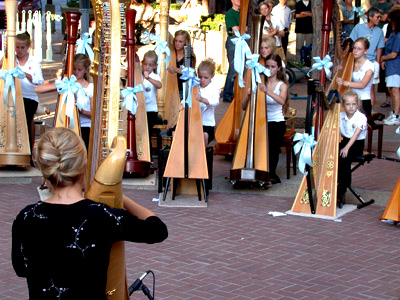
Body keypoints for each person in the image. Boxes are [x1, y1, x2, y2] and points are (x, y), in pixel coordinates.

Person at [12, 127, 168, 299]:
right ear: (84, 166)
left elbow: (21, 269)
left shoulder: (26, 217)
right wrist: (120, 196)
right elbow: (158, 230)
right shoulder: (102, 216)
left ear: (43, 169)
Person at [242, 54, 288, 185]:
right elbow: (244, 107)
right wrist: (249, 96)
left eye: (273, 66)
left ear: (278, 68)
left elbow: (282, 100)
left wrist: (267, 91)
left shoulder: (281, 85)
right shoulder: (260, 81)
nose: (270, 69)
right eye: (267, 66)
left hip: (277, 122)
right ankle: (257, 171)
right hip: (261, 121)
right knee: (257, 146)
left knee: (272, 148)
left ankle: (270, 174)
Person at [35, 54, 93, 149]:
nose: (76, 72)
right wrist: (59, 82)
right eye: (74, 69)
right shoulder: (66, 84)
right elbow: (38, 89)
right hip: (66, 125)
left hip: (85, 127)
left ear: (86, 69)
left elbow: (94, 115)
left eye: (79, 69)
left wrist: (81, 111)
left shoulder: (90, 88)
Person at [15, 32, 44, 155]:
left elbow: (40, 81)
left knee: (25, 118)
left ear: (28, 47)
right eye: (17, 47)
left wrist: (25, 75)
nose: (19, 50)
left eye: (22, 47)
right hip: (12, 96)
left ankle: (27, 153)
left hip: (29, 97)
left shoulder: (34, 61)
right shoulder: (9, 59)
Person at [349, 7, 385, 110]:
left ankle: (370, 111)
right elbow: (351, 44)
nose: (379, 19)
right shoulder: (358, 27)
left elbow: (379, 48)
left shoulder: (379, 31)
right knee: (355, 85)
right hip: (358, 61)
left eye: (380, 17)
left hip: (372, 61)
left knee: (371, 88)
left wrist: (377, 63)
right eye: (377, 17)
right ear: (370, 17)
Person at [337, 91, 367, 206]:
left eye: (353, 104)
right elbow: (337, 131)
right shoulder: (340, 116)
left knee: (344, 157)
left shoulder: (361, 117)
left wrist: (346, 148)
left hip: (356, 143)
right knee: (333, 154)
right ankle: (335, 183)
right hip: (345, 141)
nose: (351, 107)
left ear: (357, 104)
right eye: (348, 104)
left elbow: (356, 135)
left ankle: (342, 186)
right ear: (343, 105)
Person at [336, 37, 374, 117]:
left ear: (366, 51)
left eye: (359, 49)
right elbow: (340, 78)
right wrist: (338, 71)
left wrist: (345, 83)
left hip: (363, 101)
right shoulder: (349, 63)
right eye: (354, 48)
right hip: (350, 100)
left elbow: (362, 85)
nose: (355, 51)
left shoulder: (369, 66)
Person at [381, 6, 400, 125]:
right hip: (391, 65)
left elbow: (394, 54)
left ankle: (396, 114)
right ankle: (394, 112)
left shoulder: (398, 35)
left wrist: (382, 58)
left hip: (395, 65)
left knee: (395, 90)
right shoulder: (394, 32)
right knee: (391, 90)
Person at [195, 59, 220, 146]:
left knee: (204, 135)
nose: (202, 80)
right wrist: (182, 104)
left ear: (212, 75)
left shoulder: (214, 88)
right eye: (200, 77)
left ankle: (203, 155)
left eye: (206, 78)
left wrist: (202, 99)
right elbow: (188, 98)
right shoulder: (195, 86)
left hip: (207, 124)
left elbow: (215, 102)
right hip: (195, 122)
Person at [167, 30, 195, 100]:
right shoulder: (170, 54)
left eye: (180, 41)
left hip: (183, 89)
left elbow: (189, 72)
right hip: (171, 87)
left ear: (186, 42)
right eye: (176, 41)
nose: (177, 43)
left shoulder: (189, 56)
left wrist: (175, 70)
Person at [222, 0, 240, 103]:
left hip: (242, 41)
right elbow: (235, 30)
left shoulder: (245, 15)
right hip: (233, 41)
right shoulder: (230, 13)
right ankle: (227, 93)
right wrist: (248, 28)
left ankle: (235, 92)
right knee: (233, 68)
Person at [141, 50, 162, 138]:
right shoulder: (138, 75)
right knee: (141, 133)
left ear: (155, 66)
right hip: (140, 108)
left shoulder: (155, 76)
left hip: (151, 110)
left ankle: (147, 151)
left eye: (150, 65)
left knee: (147, 133)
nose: (147, 67)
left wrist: (148, 78)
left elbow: (159, 85)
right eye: (145, 64)